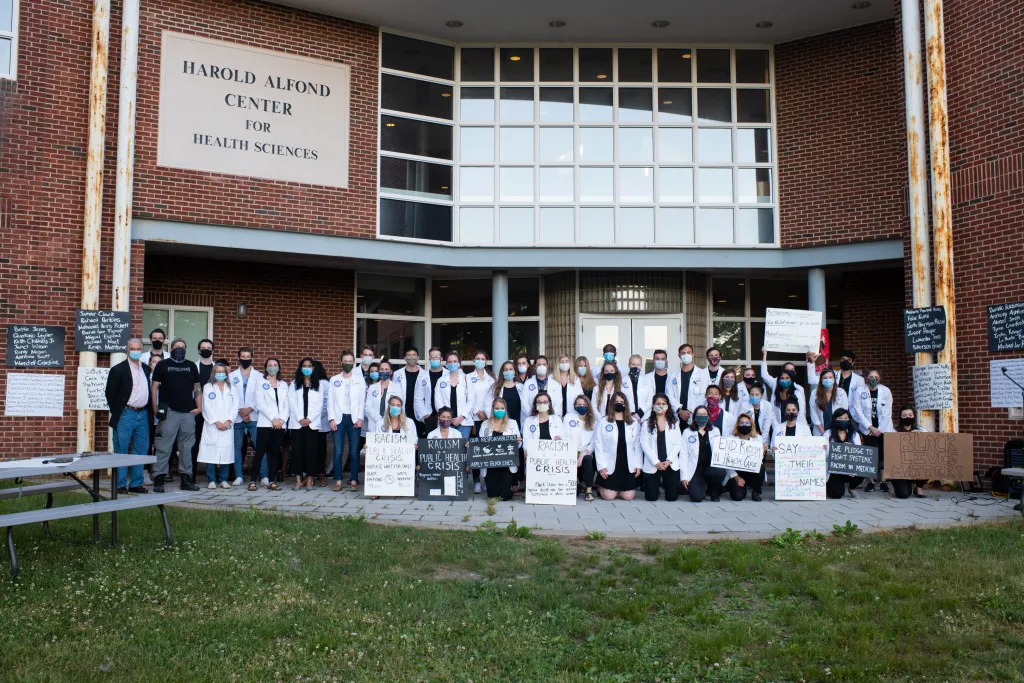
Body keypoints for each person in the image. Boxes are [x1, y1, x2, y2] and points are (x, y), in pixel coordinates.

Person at [150, 337, 201, 492]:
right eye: (177, 346)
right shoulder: (162, 365)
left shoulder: (191, 366)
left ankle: (186, 480)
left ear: (186, 349)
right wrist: (155, 410)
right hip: (169, 412)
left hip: (187, 413)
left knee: (187, 447)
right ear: (171, 348)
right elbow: (154, 388)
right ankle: (159, 479)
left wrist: (199, 407)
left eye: (183, 347)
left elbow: (197, 387)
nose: (180, 348)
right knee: (163, 446)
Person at [105, 338, 152, 494]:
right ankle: (120, 484)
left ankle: (136, 483)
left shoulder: (146, 369)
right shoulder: (118, 369)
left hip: (143, 414)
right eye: (133, 348)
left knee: (141, 450)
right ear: (127, 350)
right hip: (126, 413)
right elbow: (110, 394)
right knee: (121, 450)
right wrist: (120, 410)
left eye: (139, 348)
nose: (136, 350)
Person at [681, 405, 745, 502]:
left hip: (710, 467)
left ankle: (714, 491)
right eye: (699, 414)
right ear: (694, 417)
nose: (701, 416)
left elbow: (720, 451)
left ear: (708, 416)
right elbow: (684, 455)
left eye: (704, 414)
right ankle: (701, 487)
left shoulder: (715, 431)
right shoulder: (687, 432)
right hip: (695, 469)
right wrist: (684, 477)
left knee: (719, 472)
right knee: (697, 498)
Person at [328, 350, 367, 492]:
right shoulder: (334, 380)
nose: (348, 364)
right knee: (338, 451)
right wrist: (331, 419)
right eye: (345, 361)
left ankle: (354, 481)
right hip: (339, 418)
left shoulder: (359, 380)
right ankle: (338, 481)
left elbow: (362, 401)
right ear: (341, 362)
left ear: (353, 363)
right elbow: (330, 402)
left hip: (354, 419)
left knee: (354, 452)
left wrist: (361, 418)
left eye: (350, 362)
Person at [852, 368, 894, 492]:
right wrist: (870, 427)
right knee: (870, 454)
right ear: (866, 378)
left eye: (876, 377)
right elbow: (857, 411)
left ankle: (883, 481)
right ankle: (870, 481)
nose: (873, 379)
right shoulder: (860, 391)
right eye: (871, 377)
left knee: (882, 454)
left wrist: (879, 430)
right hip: (868, 429)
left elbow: (887, 413)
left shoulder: (885, 391)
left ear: (879, 378)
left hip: (884, 428)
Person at [594, 390, 641, 501]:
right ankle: (600, 487)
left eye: (622, 401)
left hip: (627, 463)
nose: (619, 403)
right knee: (609, 497)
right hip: (609, 463)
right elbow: (598, 444)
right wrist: (601, 466)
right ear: (612, 404)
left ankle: (620, 488)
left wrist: (638, 464)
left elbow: (638, 446)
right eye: (616, 401)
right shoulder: (604, 421)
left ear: (626, 404)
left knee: (628, 497)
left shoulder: (633, 422)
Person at [198, 361, 238, 489]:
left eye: (222, 372)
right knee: (211, 453)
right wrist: (216, 421)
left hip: (227, 425)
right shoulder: (208, 387)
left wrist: (228, 421)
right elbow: (206, 407)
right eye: (217, 372)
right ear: (213, 374)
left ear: (226, 374)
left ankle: (223, 479)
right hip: (213, 425)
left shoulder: (232, 388)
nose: (220, 374)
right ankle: (211, 480)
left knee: (226, 453)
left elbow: (235, 406)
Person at [289, 358, 325, 491]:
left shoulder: (319, 385)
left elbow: (319, 405)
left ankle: (309, 480)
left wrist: (309, 419)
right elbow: (292, 403)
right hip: (297, 424)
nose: (307, 368)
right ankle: (298, 480)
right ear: (300, 368)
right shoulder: (294, 384)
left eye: (309, 366)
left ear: (314, 368)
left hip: (312, 424)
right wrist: (300, 418)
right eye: (304, 366)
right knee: (297, 452)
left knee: (311, 452)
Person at [252, 357, 287, 491]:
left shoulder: (283, 384)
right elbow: (260, 404)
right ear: (266, 368)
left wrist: (281, 420)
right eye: (270, 365)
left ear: (278, 367)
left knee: (275, 453)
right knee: (260, 452)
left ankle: (272, 481)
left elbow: (286, 405)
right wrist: (273, 419)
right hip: (265, 424)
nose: (272, 367)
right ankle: (253, 481)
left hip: (279, 425)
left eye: (275, 365)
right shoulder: (260, 383)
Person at [229, 347, 263, 486]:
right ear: (239, 358)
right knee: (237, 447)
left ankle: (264, 475)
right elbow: (231, 396)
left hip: (254, 416)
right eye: (242, 356)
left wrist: (249, 410)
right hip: (237, 416)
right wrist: (241, 411)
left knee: (260, 446)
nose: (245, 359)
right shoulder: (232, 376)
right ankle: (239, 476)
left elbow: (260, 396)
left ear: (252, 358)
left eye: (247, 356)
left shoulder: (259, 376)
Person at [639, 393, 682, 501]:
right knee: (651, 497)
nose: (661, 406)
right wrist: (656, 462)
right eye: (658, 403)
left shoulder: (674, 422)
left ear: (668, 406)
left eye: (663, 403)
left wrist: (669, 461)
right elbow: (644, 444)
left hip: (670, 463)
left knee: (672, 497)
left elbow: (678, 444)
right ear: (653, 406)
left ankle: (666, 484)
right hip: (654, 463)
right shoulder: (646, 423)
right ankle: (655, 487)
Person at [478, 397, 521, 501]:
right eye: (497, 408)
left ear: (505, 409)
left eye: (502, 408)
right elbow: (480, 444)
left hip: (506, 466)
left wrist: (518, 442)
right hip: (490, 465)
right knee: (492, 496)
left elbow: (518, 445)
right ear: (493, 409)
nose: (499, 410)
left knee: (504, 496)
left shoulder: (512, 423)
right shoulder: (485, 424)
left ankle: (510, 490)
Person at [563, 395, 597, 502]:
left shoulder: (594, 420)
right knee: (574, 493)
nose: (581, 406)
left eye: (584, 404)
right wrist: (572, 453)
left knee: (587, 459)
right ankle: (575, 483)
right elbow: (564, 436)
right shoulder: (568, 417)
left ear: (588, 405)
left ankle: (588, 490)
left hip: (585, 452)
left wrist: (583, 454)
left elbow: (593, 442)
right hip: (570, 450)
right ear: (575, 406)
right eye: (579, 404)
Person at [190, 338, 216, 477]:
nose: (206, 350)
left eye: (208, 348)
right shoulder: (193, 367)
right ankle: (192, 473)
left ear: (213, 350)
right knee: (195, 443)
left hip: (213, 412)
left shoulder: (218, 368)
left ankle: (212, 475)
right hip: (197, 411)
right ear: (199, 350)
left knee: (212, 442)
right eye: (203, 348)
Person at [890, 405, 928, 499]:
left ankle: (919, 487)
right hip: (900, 468)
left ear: (914, 416)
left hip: (916, 464)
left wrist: (919, 438)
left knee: (929, 462)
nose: (908, 417)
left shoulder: (922, 430)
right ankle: (904, 484)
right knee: (903, 494)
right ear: (900, 417)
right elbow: (891, 450)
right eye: (905, 415)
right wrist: (908, 438)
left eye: (910, 415)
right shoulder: (893, 431)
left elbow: (929, 449)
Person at [825, 408, 863, 499]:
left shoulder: (854, 435)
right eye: (840, 418)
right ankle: (829, 487)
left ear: (849, 420)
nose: (843, 421)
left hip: (849, 468)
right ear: (835, 420)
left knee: (863, 470)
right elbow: (825, 455)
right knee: (836, 494)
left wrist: (850, 449)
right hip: (834, 470)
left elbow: (860, 454)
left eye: (846, 418)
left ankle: (852, 488)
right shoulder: (828, 434)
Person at [434, 351, 473, 440]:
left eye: (455, 361)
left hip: (464, 422)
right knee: (446, 450)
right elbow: (438, 402)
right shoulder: (441, 380)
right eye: (450, 362)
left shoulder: (467, 379)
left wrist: (461, 417)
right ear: (446, 364)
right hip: (445, 422)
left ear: (459, 363)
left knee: (462, 450)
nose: (452, 364)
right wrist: (446, 418)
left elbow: (471, 401)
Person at [393, 347, 431, 437]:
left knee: (418, 440)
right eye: (408, 355)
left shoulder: (425, 374)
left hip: (419, 413)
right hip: (403, 411)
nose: (411, 357)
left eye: (414, 355)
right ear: (404, 358)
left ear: (418, 357)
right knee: (404, 439)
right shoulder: (397, 374)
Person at [733, 413, 768, 501]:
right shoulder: (731, 439)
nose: (744, 425)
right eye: (741, 423)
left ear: (751, 425)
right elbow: (726, 462)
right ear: (737, 425)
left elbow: (760, 461)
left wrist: (763, 451)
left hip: (752, 471)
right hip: (737, 473)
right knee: (738, 496)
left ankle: (756, 491)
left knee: (761, 468)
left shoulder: (758, 439)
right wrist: (736, 477)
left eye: (747, 423)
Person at [638, 349, 680, 418]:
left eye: (662, 359)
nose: (660, 361)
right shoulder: (647, 378)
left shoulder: (673, 377)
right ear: (653, 360)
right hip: (652, 414)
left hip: (670, 414)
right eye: (657, 359)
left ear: (666, 361)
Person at [522, 392, 566, 456]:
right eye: (539, 402)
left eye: (545, 402)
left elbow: (564, 438)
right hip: (536, 456)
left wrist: (560, 440)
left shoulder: (557, 419)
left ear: (549, 404)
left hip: (554, 455)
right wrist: (526, 451)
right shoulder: (528, 421)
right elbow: (526, 441)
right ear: (535, 404)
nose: (542, 404)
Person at [809, 367, 849, 436]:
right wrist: (823, 433)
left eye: (830, 377)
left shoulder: (841, 393)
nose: (828, 380)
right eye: (825, 378)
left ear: (834, 379)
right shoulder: (814, 393)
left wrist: (834, 433)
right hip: (820, 431)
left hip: (837, 432)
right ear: (821, 380)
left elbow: (844, 413)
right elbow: (813, 413)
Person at [676, 344, 708, 429]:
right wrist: (679, 411)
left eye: (688, 352)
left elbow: (703, 395)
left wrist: (690, 411)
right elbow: (669, 395)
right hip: (677, 415)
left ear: (693, 355)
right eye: (683, 353)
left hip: (694, 415)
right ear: (679, 356)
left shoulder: (702, 374)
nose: (686, 355)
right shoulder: (673, 376)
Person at [364, 360, 399, 434]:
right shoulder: (372, 388)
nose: (384, 371)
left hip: (391, 426)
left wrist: (387, 420)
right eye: (382, 369)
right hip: (374, 426)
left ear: (391, 372)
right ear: (379, 371)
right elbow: (368, 407)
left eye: (386, 369)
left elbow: (400, 407)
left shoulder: (397, 388)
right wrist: (380, 419)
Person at [554, 354, 583, 420]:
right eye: (562, 362)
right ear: (558, 364)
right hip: (555, 415)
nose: (564, 363)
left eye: (567, 361)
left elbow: (580, 397)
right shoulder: (551, 379)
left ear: (570, 364)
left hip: (572, 414)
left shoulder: (576, 380)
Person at [424, 347, 446, 434]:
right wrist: (424, 414)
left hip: (445, 415)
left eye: (437, 357)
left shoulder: (448, 374)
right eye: (432, 357)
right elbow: (418, 397)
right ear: (429, 359)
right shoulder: (423, 376)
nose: (434, 359)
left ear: (441, 358)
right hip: (429, 415)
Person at [626, 354, 644, 420]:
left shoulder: (647, 381)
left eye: (638, 365)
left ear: (641, 366)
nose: (636, 367)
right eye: (633, 364)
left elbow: (650, 399)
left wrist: (640, 413)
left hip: (644, 416)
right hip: (628, 415)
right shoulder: (622, 381)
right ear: (629, 365)